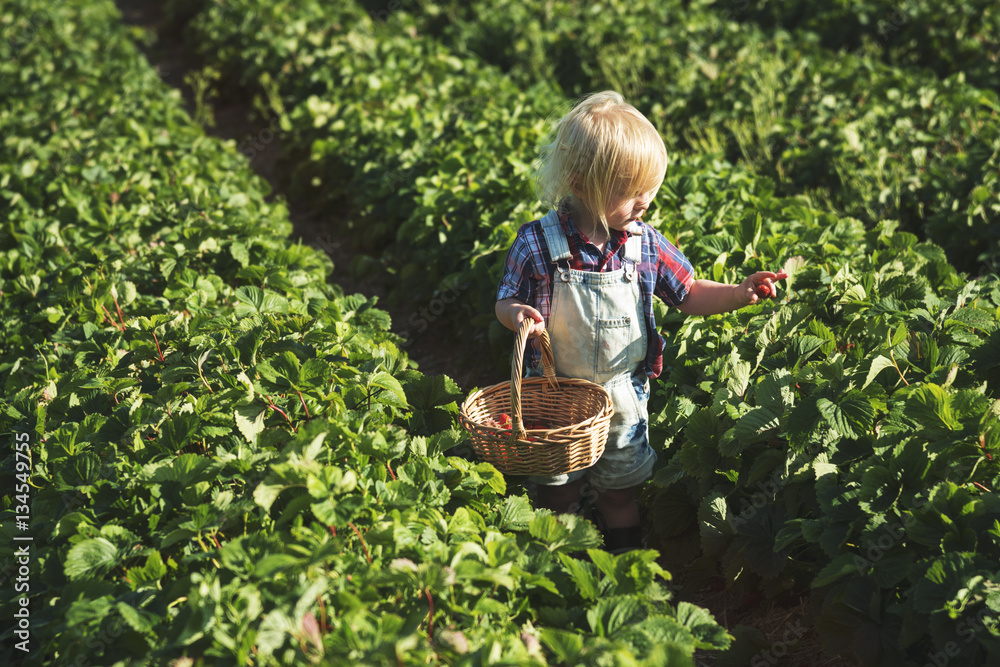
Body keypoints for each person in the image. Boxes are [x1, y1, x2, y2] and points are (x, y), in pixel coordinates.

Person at [495, 91, 786, 553]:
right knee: (558, 489)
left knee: (619, 491)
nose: (645, 201)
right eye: (630, 191)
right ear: (581, 183)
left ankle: (624, 559)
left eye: (649, 188)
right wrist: (518, 316)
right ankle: (558, 557)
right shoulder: (538, 243)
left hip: (620, 396)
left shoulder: (644, 244)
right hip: (554, 395)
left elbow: (688, 293)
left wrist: (738, 292)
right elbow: (505, 299)